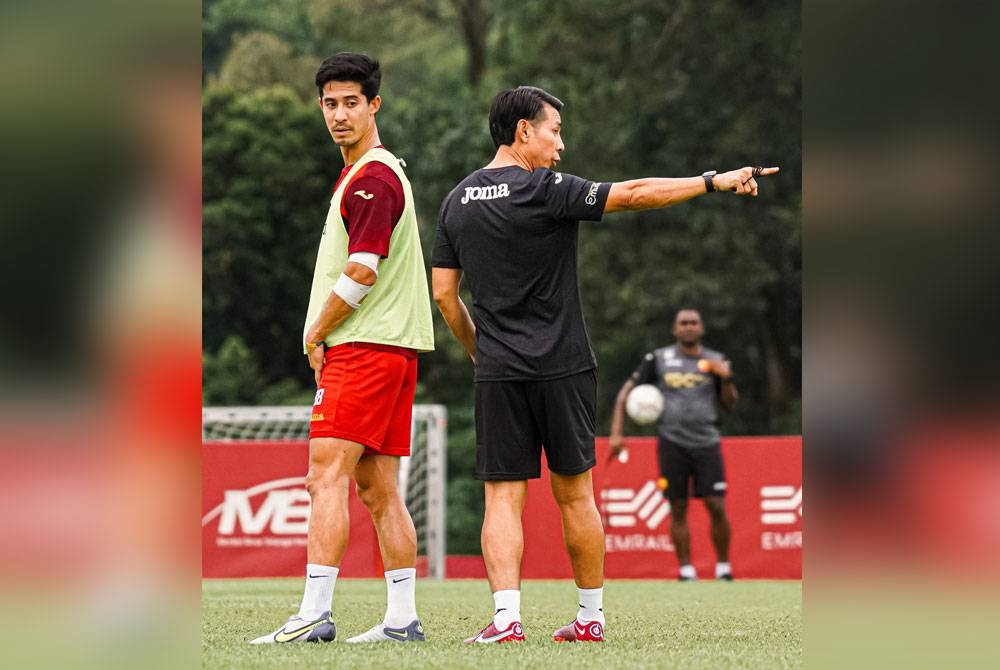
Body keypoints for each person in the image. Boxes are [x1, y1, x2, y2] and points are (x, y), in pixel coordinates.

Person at [431, 85, 776, 643]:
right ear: (524, 131)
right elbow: (637, 194)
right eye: (554, 131)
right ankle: (590, 618)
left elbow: (445, 296)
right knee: (575, 495)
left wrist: (481, 352)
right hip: (565, 365)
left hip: (498, 370)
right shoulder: (546, 189)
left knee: (502, 497)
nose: (561, 146)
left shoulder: (455, 201)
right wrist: (713, 180)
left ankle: (506, 621)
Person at [251, 52, 434, 645]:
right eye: (330, 103)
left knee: (322, 478)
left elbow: (360, 271)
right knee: (379, 490)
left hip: (363, 347)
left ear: (374, 104)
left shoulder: (373, 178)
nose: (339, 114)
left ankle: (314, 611)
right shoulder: (373, 172)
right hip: (394, 349)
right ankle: (402, 619)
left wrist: (313, 332)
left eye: (351, 102)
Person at [609, 308, 738, 581]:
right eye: (683, 323)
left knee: (716, 504)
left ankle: (724, 567)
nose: (689, 327)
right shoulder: (658, 359)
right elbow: (625, 393)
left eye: (694, 322)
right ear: (675, 329)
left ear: (701, 328)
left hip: (707, 442)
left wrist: (725, 377)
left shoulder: (716, 360)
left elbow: (730, 404)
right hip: (671, 443)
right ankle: (686, 570)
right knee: (677, 506)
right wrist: (617, 433)